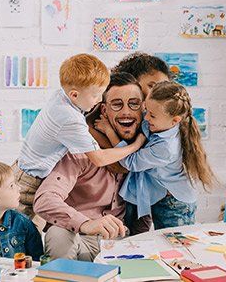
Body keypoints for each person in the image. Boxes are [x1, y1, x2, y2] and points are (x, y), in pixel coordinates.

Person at [15, 53, 144, 218]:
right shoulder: (70, 118)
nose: (98, 101)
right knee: (18, 234)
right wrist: (135, 146)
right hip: (28, 183)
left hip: (28, 170)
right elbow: (99, 159)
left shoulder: (62, 95)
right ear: (74, 95)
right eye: (96, 95)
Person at [33, 73, 144, 261]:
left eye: (134, 103)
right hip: (81, 238)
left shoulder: (146, 154)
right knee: (58, 233)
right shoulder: (81, 151)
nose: (126, 111)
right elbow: (45, 199)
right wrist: (85, 223)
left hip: (121, 242)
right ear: (103, 110)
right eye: (117, 104)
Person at [95, 81, 216, 229]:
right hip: (161, 193)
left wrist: (109, 131)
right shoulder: (161, 122)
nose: (146, 118)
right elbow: (145, 126)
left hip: (175, 203)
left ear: (175, 121)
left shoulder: (166, 148)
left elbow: (130, 162)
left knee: (173, 245)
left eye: (151, 115)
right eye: (146, 109)